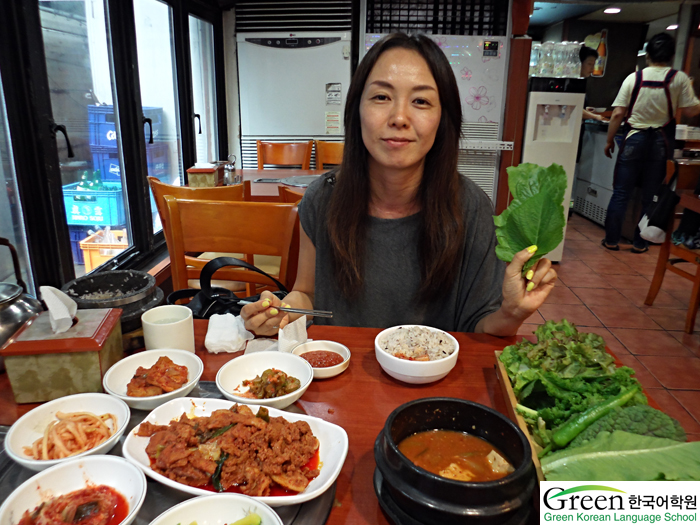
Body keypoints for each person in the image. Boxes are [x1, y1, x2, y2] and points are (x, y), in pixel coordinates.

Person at [241, 33, 556, 337]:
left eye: (421, 101)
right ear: (357, 111)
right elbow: (306, 294)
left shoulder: (471, 208)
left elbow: (482, 326)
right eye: (381, 97)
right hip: (342, 380)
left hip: (434, 384)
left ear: (443, 119)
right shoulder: (322, 198)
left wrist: (512, 314)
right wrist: (282, 310)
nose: (399, 117)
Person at [602, 33, 700, 253]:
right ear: (671, 55)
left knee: (621, 192)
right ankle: (640, 242)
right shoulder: (679, 78)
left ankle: (611, 240)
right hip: (660, 141)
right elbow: (693, 110)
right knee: (651, 195)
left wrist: (609, 141)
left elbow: (618, 114)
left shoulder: (634, 78)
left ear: (648, 55)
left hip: (634, 138)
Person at [579, 46, 606, 122]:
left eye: (593, 64)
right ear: (580, 63)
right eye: (589, 64)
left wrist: (586, 111)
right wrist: (595, 116)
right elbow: (574, 109)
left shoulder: (582, 82)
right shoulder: (572, 83)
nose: (592, 68)